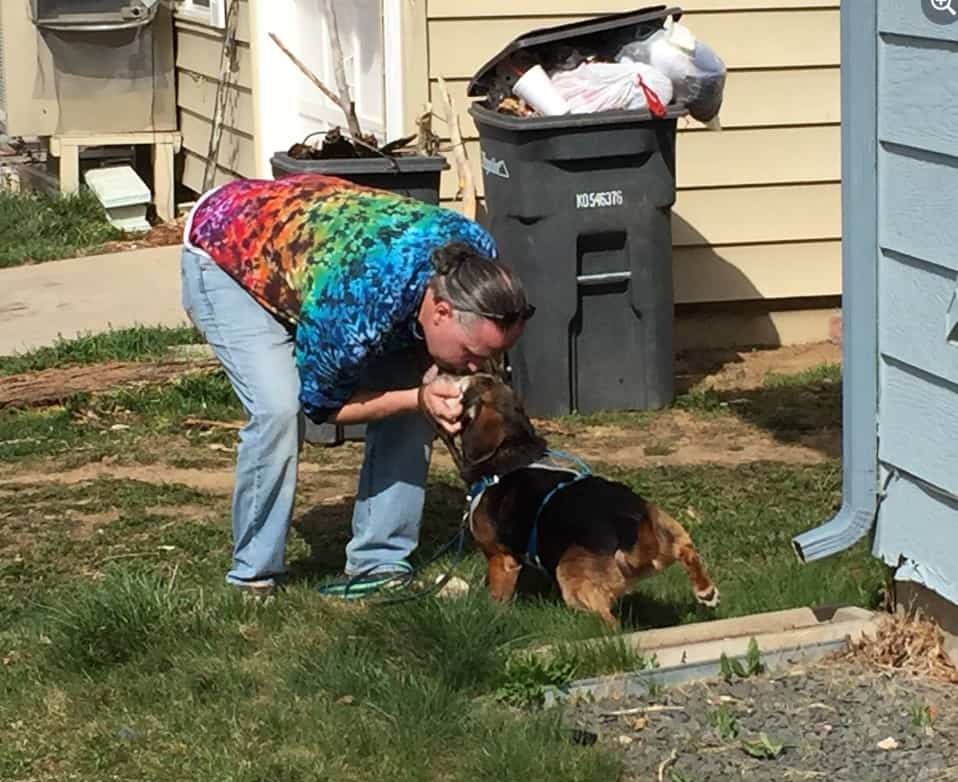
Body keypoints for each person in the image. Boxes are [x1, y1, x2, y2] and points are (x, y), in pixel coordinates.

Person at [180, 173, 533, 597]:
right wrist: (418, 395)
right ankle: (252, 575)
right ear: (440, 311)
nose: (479, 367)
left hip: (319, 241)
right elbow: (323, 410)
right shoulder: (357, 306)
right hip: (229, 247)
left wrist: (422, 395)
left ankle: (378, 564)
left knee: (420, 400)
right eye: (473, 354)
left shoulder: (479, 266)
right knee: (278, 408)